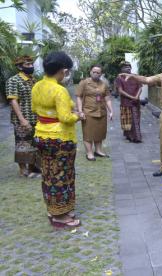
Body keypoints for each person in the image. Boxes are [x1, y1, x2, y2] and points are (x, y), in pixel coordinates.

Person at [31, 51, 81, 228]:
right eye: (66, 72)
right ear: (63, 70)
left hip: (41, 135)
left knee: (48, 174)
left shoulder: (37, 86)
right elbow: (66, 118)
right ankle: (60, 216)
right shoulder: (59, 90)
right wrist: (79, 116)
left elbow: (35, 109)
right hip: (60, 139)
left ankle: (55, 209)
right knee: (62, 175)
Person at [5, 55, 41, 178]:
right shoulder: (13, 80)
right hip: (21, 118)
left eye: (31, 64)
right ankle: (22, 169)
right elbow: (13, 100)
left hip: (36, 117)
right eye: (27, 65)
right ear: (20, 67)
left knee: (34, 143)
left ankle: (32, 168)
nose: (31, 66)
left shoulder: (34, 80)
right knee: (22, 144)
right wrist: (22, 119)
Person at [75, 65, 113, 161]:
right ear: (90, 71)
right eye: (94, 72)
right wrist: (80, 111)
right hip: (88, 112)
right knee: (88, 133)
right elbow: (79, 97)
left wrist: (111, 111)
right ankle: (89, 152)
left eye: (98, 72)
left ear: (101, 74)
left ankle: (98, 150)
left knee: (100, 132)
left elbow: (107, 98)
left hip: (101, 112)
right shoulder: (84, 83)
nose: (96, 74)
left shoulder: (104, 84)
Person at [114, 61, 143, 143]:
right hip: (126, 102)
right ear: (122, 69)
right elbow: (120, 90)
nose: (128, 68)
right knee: (127, 120)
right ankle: (129, 135)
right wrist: (132, 97)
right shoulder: (119, 78)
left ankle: (136, 137)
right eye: (125, 67)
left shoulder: (135, 76)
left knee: (136, 119)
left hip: (135, 102)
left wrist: (136, 96)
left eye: (129, 66)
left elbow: (140, 87)